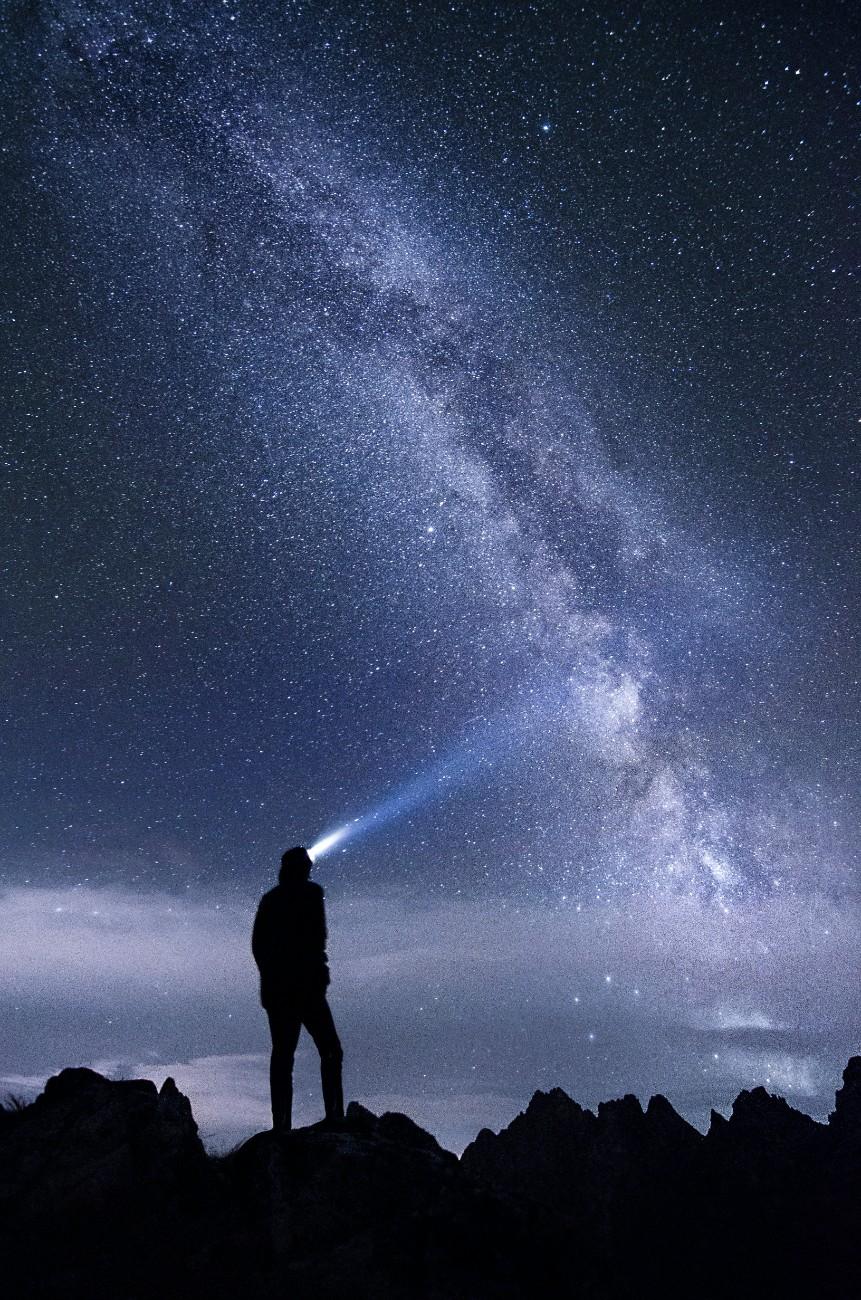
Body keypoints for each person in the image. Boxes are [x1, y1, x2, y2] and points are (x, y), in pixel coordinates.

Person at [252, 846, 344, 1133]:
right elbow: (318, 938)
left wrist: (271, 977)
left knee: (283, 1055)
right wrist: (318, 973)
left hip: (280, 990)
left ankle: (282, 1125)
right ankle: (334, 1117)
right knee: (329, 1050)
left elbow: (258, 945)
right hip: (305, 988)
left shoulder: (270, 900)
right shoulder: (312, 893)